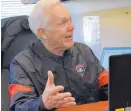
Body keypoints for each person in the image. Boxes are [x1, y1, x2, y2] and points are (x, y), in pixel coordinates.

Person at [9, 0, 108, 111]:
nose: (72, 27)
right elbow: (19, 106)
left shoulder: (84, 51)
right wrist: (43, 103)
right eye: (63, 22)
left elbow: (107, 86)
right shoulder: (22, 64)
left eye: (70, 20)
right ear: (42, 32)